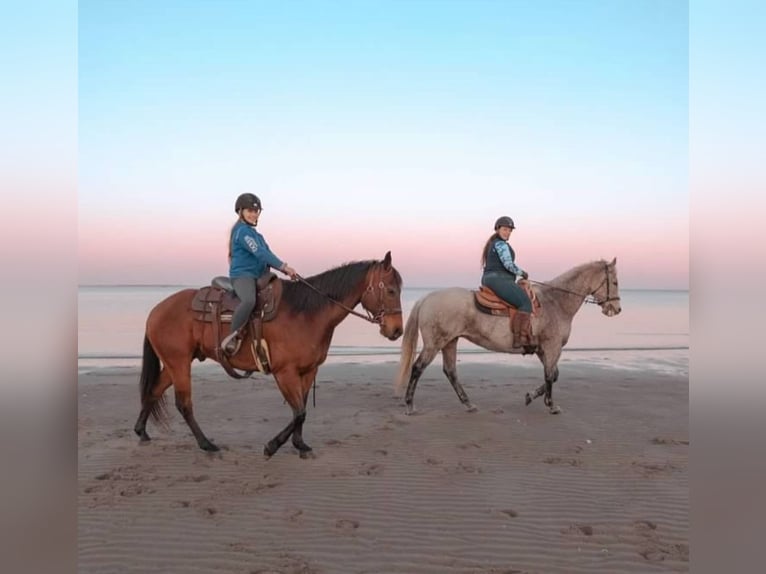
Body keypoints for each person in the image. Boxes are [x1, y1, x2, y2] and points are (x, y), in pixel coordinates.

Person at [220, 193, 298, 355]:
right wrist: (284, 267)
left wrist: (286, 271)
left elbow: (268, 254)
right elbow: (260, 253)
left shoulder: (257, 235)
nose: (254, 214)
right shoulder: (242, 232)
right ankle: (231, 337)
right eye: (250, 210)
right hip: (243, 276)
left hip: (260, 276)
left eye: (256, 211)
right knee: (249, 300)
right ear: (240, 211)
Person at [480, 216, 534, 349]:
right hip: (498, 278)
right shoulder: (500, 244)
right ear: (497, 229)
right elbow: (509, 265)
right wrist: (523, 273)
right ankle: (519, 338)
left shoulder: (493, 244)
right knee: (525, 303)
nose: (507, 232)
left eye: (510, 230)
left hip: (492, 278)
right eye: (505, 229)